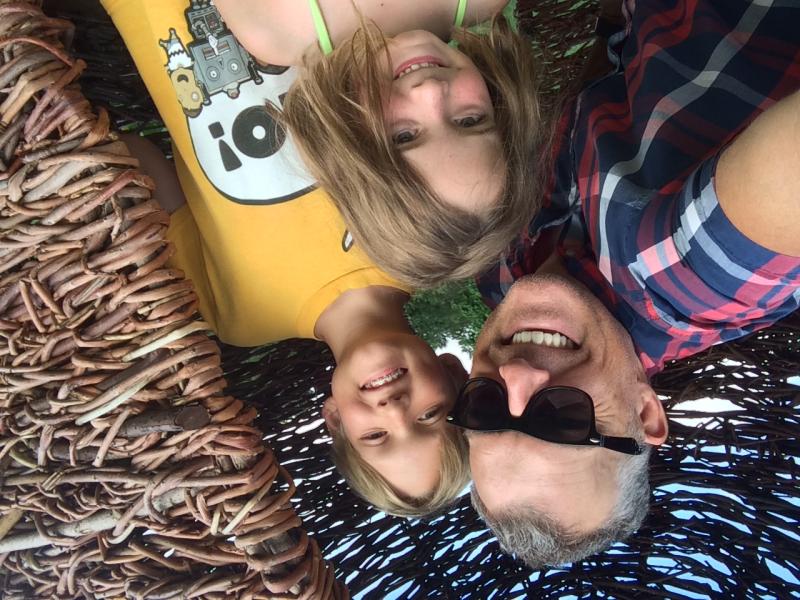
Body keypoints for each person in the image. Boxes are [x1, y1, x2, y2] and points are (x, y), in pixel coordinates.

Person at [460, 0, 800, 566]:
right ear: (645, 414)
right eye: (564, 420)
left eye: (484, 410)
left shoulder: (500, 277)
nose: (515, 376)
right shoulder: (692, 278)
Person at [101, 0, 470, 517]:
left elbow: (141, 162)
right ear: (452, 373)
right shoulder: (425, 234)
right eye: (430, 415)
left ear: (334, 420)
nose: (394, 410)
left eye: (376, 436)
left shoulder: (237, 317)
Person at [213, 0, 549, 288]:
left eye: (404, 137)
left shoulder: (274, 29)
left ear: (351, 143)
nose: (430, 92)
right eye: (470, 120)